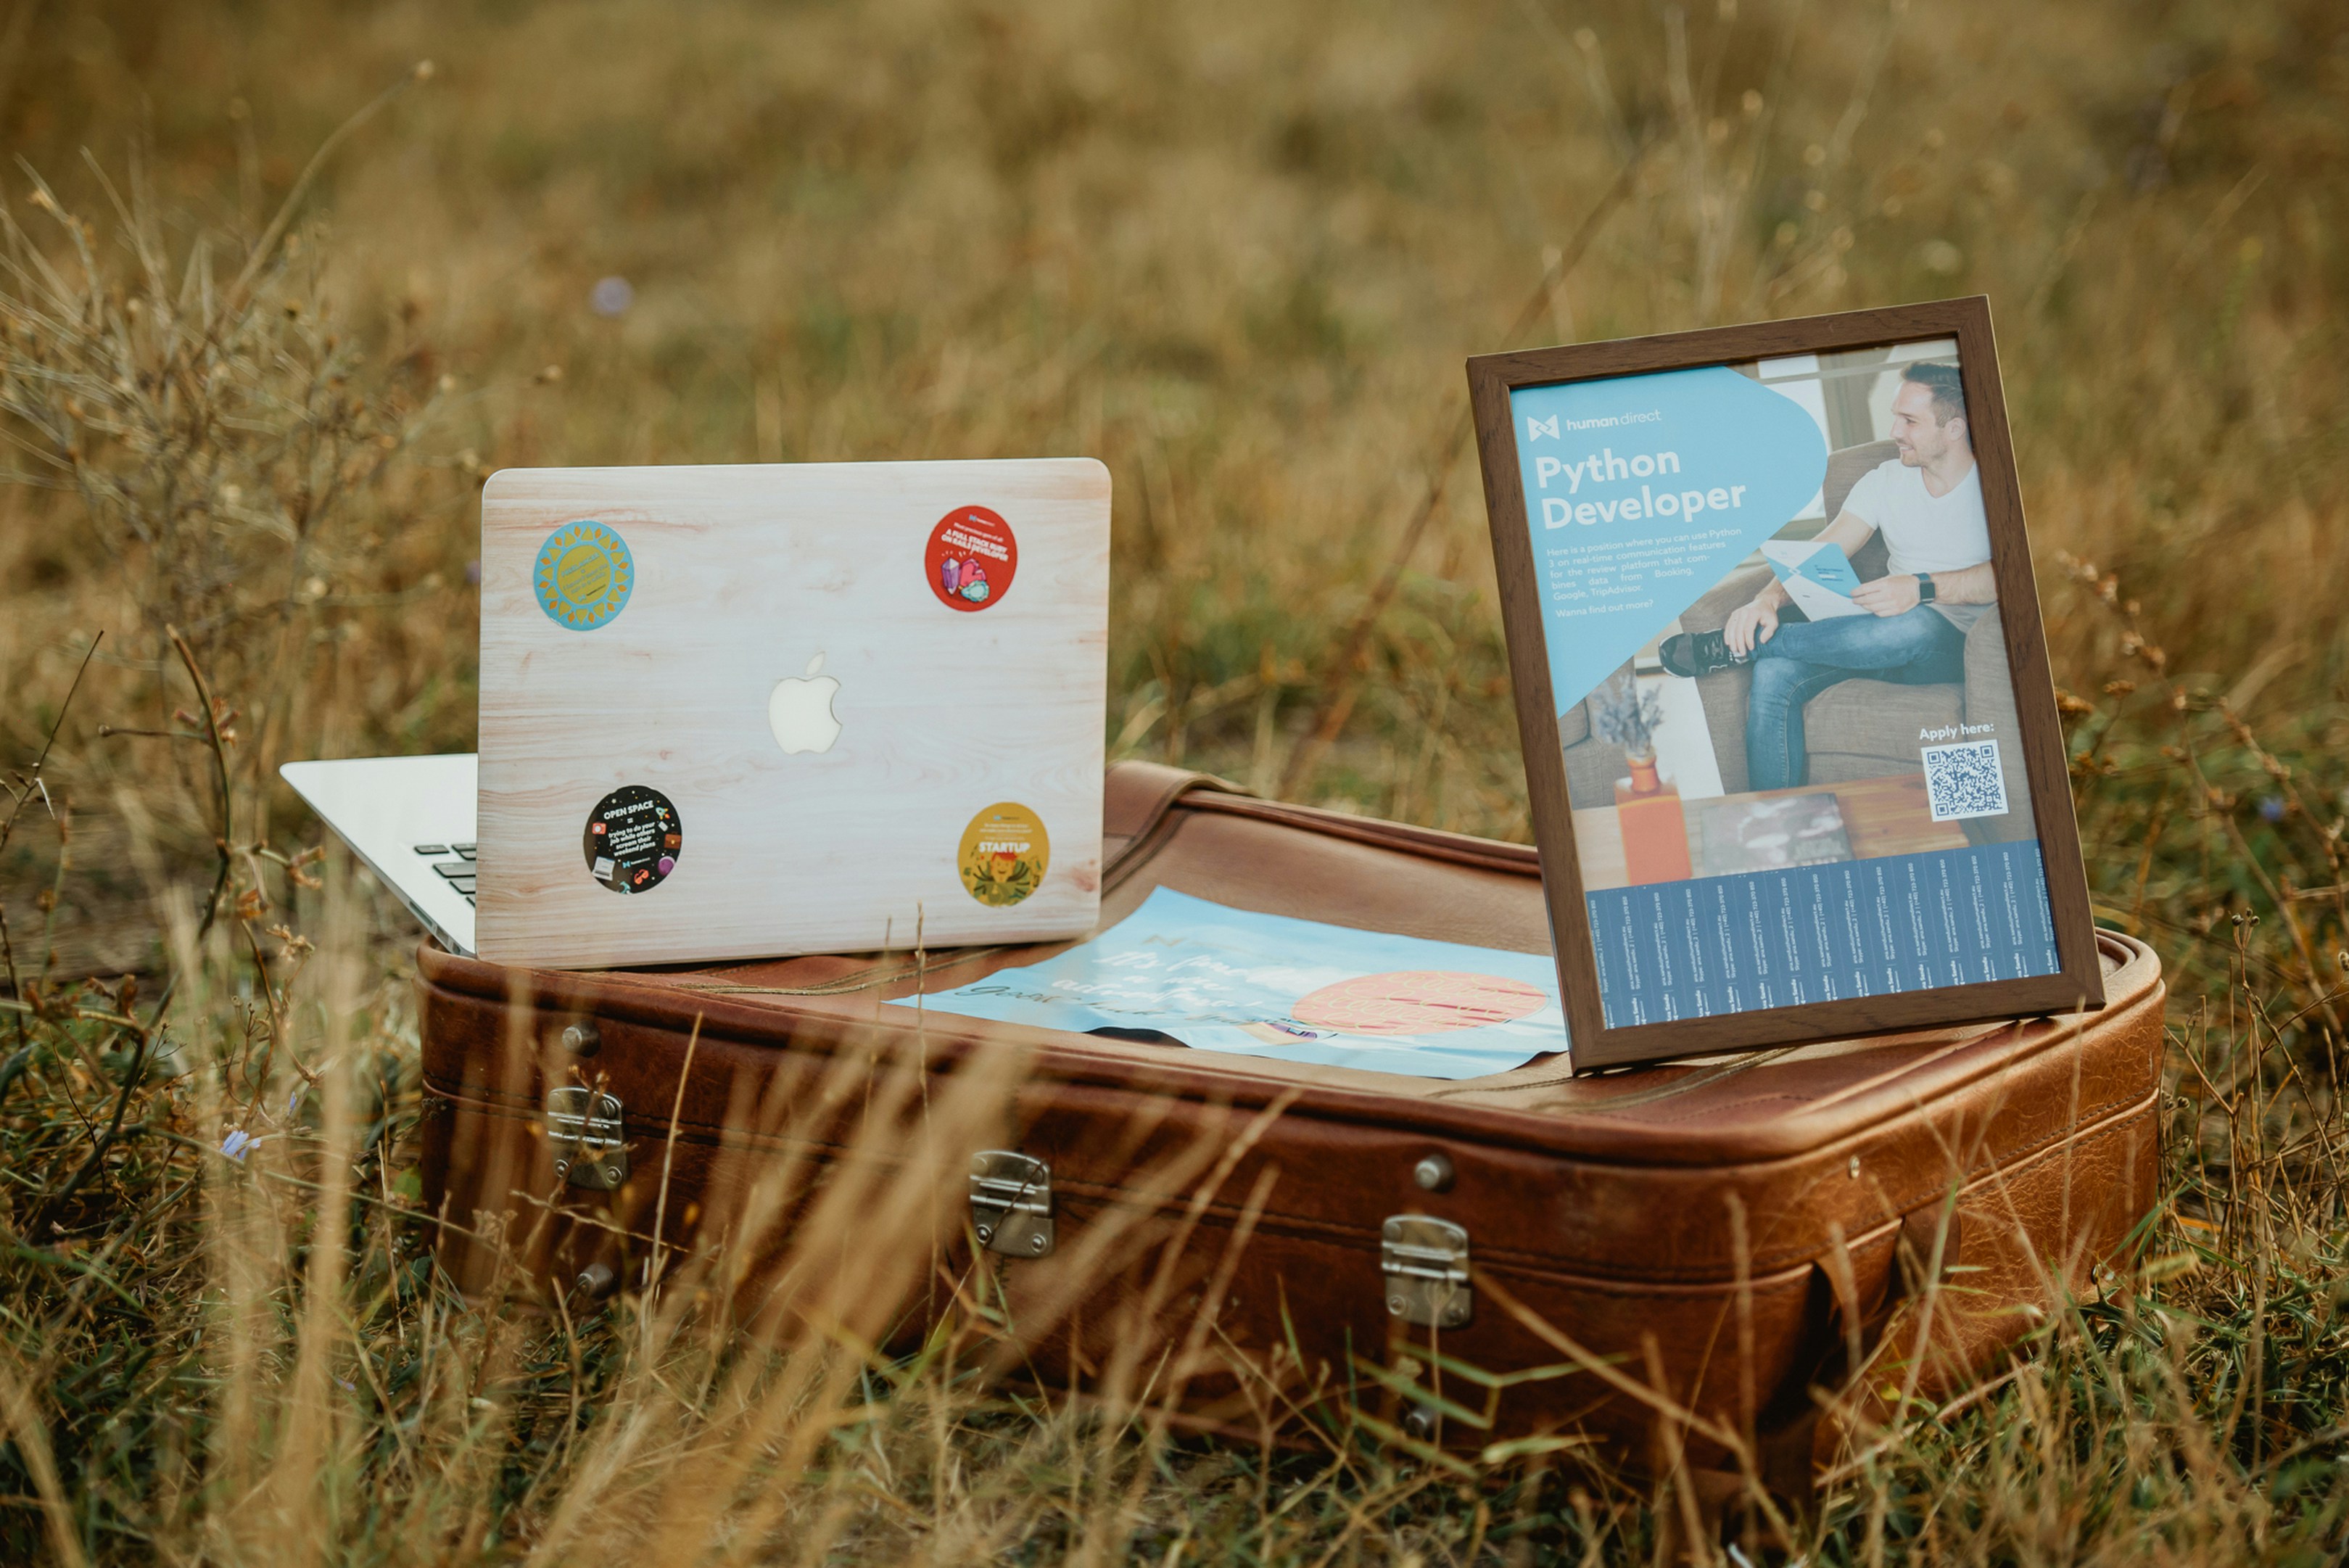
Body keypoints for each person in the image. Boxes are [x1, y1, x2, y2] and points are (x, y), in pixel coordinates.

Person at [1657, 362, 1997, 791]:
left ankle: (1735, 645)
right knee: (1774, 674)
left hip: (1952, 645)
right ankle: (1773, 824)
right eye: (1896, 416)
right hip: (1869, 639)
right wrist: (1768, 599)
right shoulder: (1885, 479)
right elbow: (1825, 547)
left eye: (1909, 421)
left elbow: (2008, 577)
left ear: (1954, 429)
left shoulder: (1994, 485)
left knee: (1914, 623)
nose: (1895, 431)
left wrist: (1921, 587)